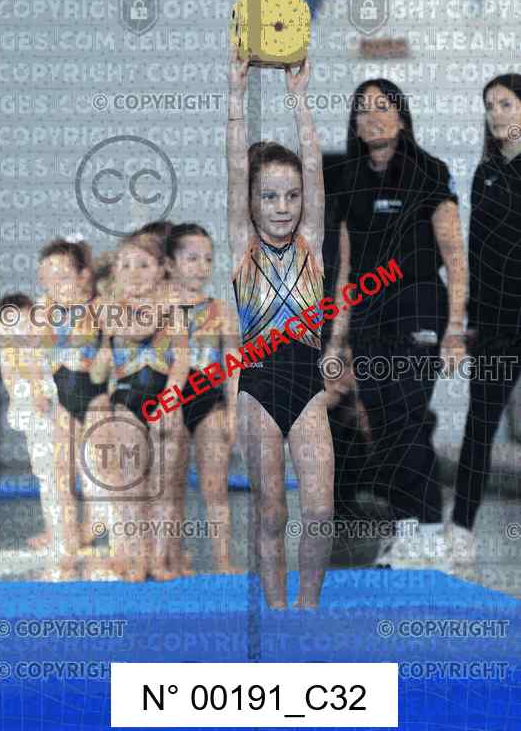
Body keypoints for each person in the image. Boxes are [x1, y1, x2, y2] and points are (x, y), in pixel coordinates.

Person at [325, 79, 467, 569]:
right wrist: (336, 341)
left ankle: (430, 532)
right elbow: (345, 270)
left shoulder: (429, 172)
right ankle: (406, 530)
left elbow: (455, 257)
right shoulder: (348, 179)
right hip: (368, 316)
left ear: (402, 117)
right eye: (362, 110)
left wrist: (455, 329)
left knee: (407, 420)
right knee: (383, 426)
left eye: (382, 107)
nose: (372, 117)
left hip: (418, 308)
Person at [227, 43, 334, 608]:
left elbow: (313, 165)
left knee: (320, 510)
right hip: (259, 391)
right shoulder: (242, 250)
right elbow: (233, 166)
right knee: (270, 512)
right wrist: (237, 91)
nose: (283, 206)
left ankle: (308, 608)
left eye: (291, 196)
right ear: (249, 201)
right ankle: (273, 613)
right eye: (268, 196)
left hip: (307, 387)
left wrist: (299, 98)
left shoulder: (310, 245)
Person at [449, 73, 521, 570]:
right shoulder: (485, 174)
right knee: (480, 426)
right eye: (490, 106)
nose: (496, 114)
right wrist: (469, 320)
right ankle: (461, 530)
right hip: (496, 325)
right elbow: (476, 252)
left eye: (506, 104)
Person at [95, 231, 190, 581]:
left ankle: (160, 557)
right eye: (125, 266)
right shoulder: (109, 307)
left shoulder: (175, 310)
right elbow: (136, 330)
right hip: (126, 400)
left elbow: (182, 359)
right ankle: (135, 555)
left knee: (162, 483)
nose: (134, 273)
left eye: (143, 265)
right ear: (115, 272)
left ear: (162, 269)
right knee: (131, 483)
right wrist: (163, 304)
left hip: (165, 397)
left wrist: (171, 398)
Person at [163, 223, 242, 573]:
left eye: (208, 259)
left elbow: (233, 366)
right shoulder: (159, 307)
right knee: (171, 485)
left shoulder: (221, 310)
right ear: (170, 263)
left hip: (210, 402)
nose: (201, 267)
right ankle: (174, 556)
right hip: (172, 401)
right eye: (192, 258)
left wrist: (235, 412)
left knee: (216, 486)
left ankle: (223, 560)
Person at [36, 239, 109, 579]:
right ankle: (67, 545)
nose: (55, 286)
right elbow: (34, 357)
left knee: (100, 474)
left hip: (97, 400)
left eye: (63, 277)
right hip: (65, 402)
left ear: (83, 276)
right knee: (61, 475)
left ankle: (105, 538)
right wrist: (37, 388)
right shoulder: (46, 312)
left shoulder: (101, 307)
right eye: (48, 279)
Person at [0, 293, 58, 555]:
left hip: (49, 404)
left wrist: (37, 391)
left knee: (56, 472)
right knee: (47, 473)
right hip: (34, 408)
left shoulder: (40, 335)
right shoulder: (10, 344)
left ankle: (62, 531)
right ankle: (56, 530)